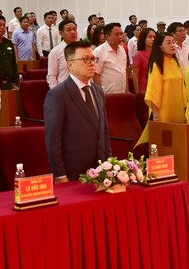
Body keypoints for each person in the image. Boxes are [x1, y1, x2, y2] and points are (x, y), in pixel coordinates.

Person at [44, 41, 111, 183]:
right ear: (70, 65)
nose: (91, 63)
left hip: (100, 171)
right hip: (72, 172)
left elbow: (104, 131)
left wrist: (108, 165)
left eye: (93, 59)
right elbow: (53, 139)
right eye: (85, 59)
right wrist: (60, 175)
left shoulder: (98, 91)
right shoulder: (58, 94)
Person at [145, 31, 186, 123]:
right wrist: (156, 116)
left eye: (173, 42)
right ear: (160, 47)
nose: (172, 45)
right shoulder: (157, 65)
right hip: (163, 111)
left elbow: (182, 88)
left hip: (177, 109)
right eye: (168, 43)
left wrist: (184, 109)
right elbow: (153, 92)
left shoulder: (176, 63)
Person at [93, 22, 127, 93]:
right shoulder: (99, 51)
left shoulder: (122, 50)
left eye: (121, 34)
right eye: (117, 34)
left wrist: (127, 91)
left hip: (122, 93)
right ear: (107, 36)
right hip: (107, 94)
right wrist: (99, 93)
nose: (120, 37)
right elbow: (95, 74)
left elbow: (124, 71)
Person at [47, 20, 78, 88]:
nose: (73, 32)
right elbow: (52, 75)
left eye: (74, 29)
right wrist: (55, 91)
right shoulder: (55, 52)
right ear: (61, 33)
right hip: (64, 89)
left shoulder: (82, 49)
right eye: (68, 30)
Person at [131, 27, 155, 94]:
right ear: (144, 38)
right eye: (150, 37)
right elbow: (135, 75)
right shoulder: (138, 54)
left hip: (156, 87)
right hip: (144, 88)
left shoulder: (157, 54)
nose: (153, 39)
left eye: (154, 37)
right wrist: (137, 93)